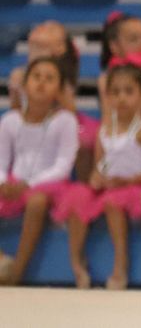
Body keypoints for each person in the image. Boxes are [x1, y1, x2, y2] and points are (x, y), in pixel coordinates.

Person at [57, 63, 141, 289]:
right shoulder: (104, 130)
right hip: (110, 185)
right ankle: (77, 262)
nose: (122, 98)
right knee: (77, 199)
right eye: (115, 92)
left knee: (114, 203)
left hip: (135, 186)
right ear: (107, 97)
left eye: (128, 91)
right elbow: (100, 165)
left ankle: (120, 265)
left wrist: (129, 181)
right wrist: (97, 178)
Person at [0, 57, 79, 286]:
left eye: (49, 78)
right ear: (25, 85)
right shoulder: (9, 120)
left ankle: (18, 272)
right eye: (36, 77)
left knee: (36, 201)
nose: (41, 83)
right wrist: (3, 182)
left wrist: (30, 184)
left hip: (50, 184)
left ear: (59, 90)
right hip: (14, 181)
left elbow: (64, 164)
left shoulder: (65, 120)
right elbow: (2, 160)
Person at [97, 14, 141, 131]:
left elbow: (135, 117)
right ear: (114, 46)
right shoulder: (105, 79)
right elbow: (107, 118)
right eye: (133, 39)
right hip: (117, 135)